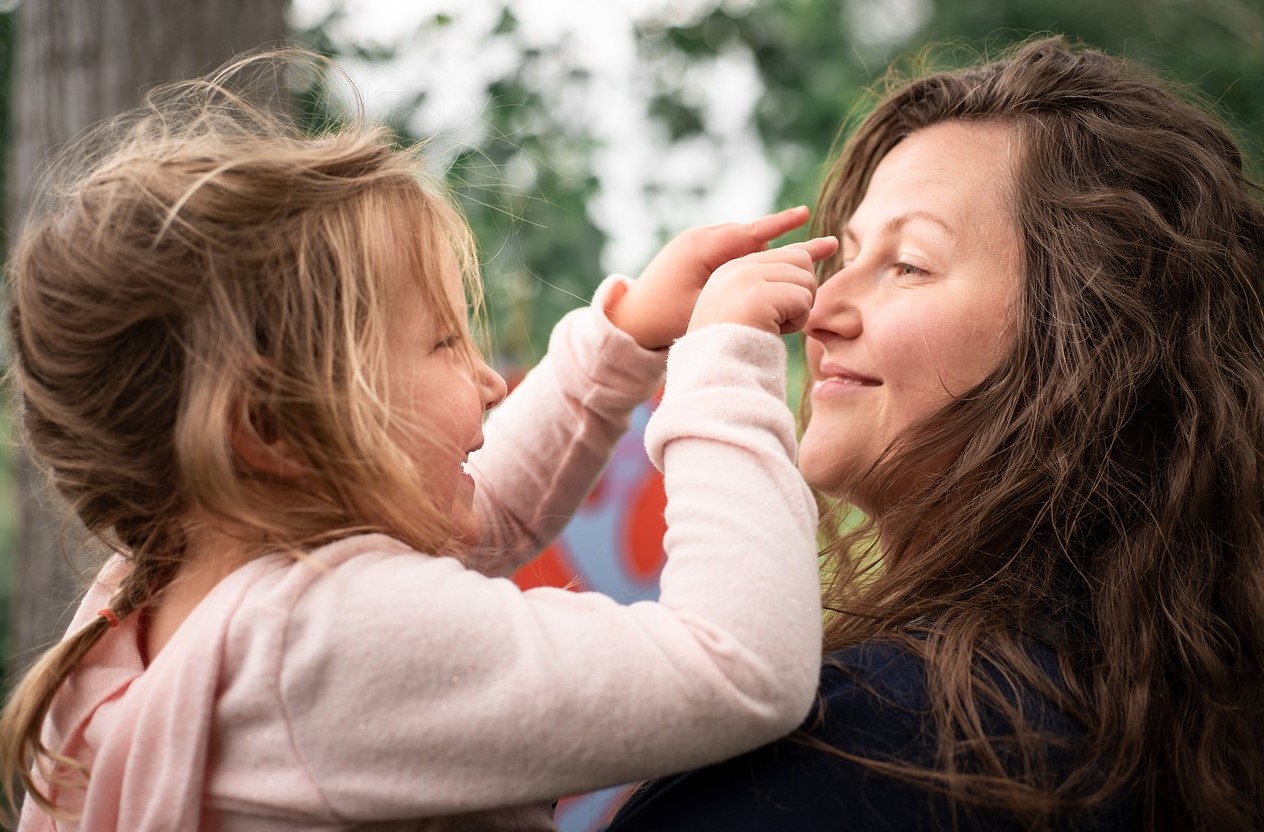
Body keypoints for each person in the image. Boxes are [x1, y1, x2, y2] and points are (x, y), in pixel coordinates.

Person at [0, 50, 839, 830]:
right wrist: (723, 364)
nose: (488, 381)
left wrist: (621, 339)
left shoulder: (146, 611)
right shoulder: (323, 641)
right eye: (443, 342)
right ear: (268, 426)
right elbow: (736, 666)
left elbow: (478, 516)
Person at [607, 35, 1264, 832]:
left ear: (1087, 342)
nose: (817, 308)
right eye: (845, 257)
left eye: (909, 265)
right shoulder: (1180, 715)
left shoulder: (877, 749)